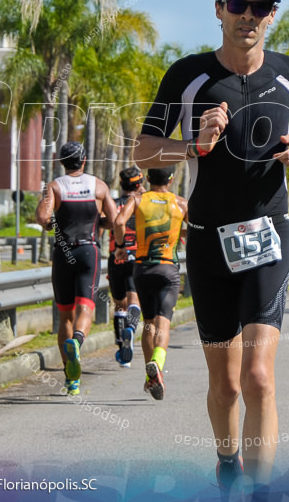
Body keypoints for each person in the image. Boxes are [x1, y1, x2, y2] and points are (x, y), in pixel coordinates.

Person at [132, 0, 289, 492]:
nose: (248, 15)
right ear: (219, 9)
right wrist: (192, 144)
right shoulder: (188, 75)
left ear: (271, 15)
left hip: (268, 237)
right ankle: (227, 463)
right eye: (237, 4)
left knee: (259, 377)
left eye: (259, 7)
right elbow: (143, 149)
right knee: (227, 385)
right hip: (208, 244)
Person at [36, 141, 117, 396]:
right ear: (83, 161)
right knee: (86, 308)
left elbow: (42, 218)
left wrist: (54, 226)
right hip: (88, 251)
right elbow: (114, 220)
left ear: (62, 162)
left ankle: (71, 379)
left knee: (65, 316)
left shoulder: (55, 187)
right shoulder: (98, 186)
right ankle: (77, 342)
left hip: (63, 252)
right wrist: (98, 221)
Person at [114, 167, 188, 401]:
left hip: (142, 268)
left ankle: (150, 375)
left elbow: (118, 222)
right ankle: (157, 362)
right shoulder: (181, 203)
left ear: (147, 178)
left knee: (148, 324)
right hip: (168, 269)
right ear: (171, 179)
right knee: (163, 323)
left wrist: (120, 247)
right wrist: (177, 233)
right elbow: (198, 230)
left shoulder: (137, 199)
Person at [107, 167, 145, 367]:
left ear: (121, 184)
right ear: (139, 185)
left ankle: (122, 352)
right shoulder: (141, 203)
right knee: (134, 302)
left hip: (115, 257)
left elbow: (105, 222)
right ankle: (131, 327)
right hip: (136, 255)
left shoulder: (113, 205)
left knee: (119, 306)